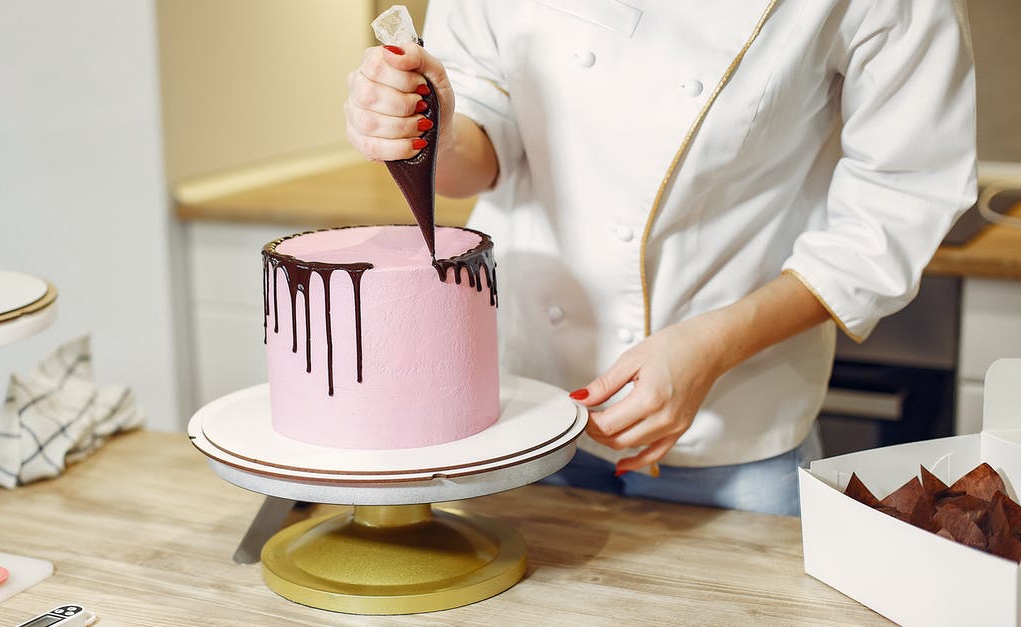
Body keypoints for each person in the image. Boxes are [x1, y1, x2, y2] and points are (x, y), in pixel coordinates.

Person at [344, 0, 977, 516]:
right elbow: (484, 149)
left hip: (730, 432)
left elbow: (901, 199)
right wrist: (433, 130)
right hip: (527, 407)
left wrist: (714, 346)